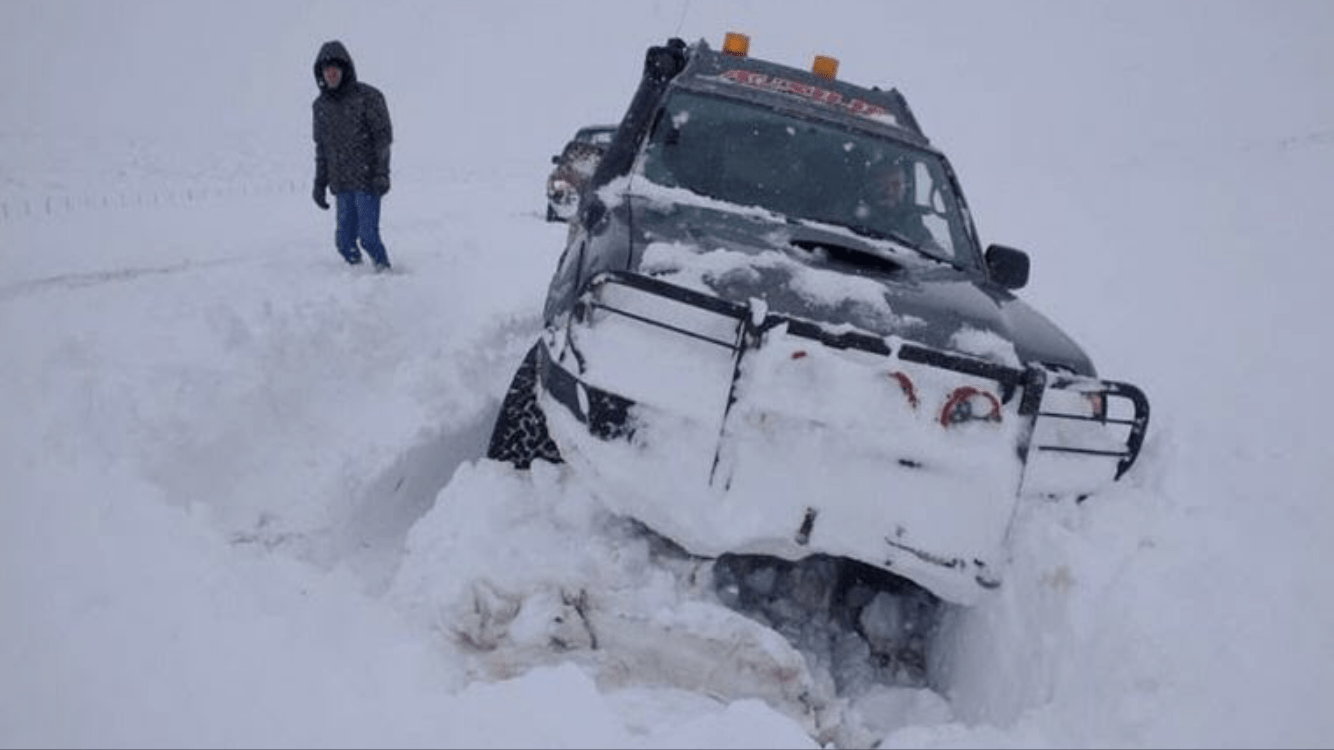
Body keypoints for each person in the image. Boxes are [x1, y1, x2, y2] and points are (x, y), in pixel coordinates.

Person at [311, 40, 394, 272]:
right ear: (320, 73)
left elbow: (383, 139)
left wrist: (382, 173)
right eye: (326, 70)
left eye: (335, 68)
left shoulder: (369, 97)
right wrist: (320, 183)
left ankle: (385, 275)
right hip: (342, 184)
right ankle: (357, 278)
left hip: (367, 181)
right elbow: (322, 149)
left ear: (345, 69)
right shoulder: (320, 107)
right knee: (344, 242)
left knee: (368, 237)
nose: (331, 73)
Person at [862, 155, 939, 252]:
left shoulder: (914, 226)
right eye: (881, 184)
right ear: (870, 186)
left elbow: (935, 256)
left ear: (904, 190)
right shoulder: (852, 217)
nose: (889, 191)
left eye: (895, 185)